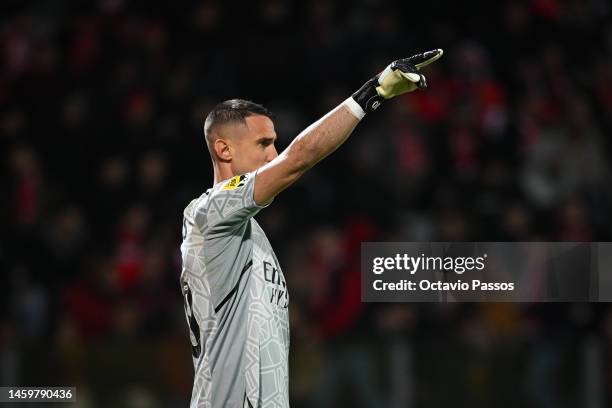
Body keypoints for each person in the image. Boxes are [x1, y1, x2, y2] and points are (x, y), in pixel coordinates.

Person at [179, 49, 443, 408]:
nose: (273, 154)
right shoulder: (208, 212)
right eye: (263, 144)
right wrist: (373, 93)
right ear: (224, 149)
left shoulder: (250, 236)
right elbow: (299, 158)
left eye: (274, 143)